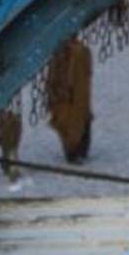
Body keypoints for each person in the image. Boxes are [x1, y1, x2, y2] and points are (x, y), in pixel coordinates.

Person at [46, 34, 95, 163]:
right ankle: (76, 149)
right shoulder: (79, 52)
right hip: (73, 99)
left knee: (72, 118)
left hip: (71, 98)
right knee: (73, 119)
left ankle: (75, 149)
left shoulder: (76, 53)